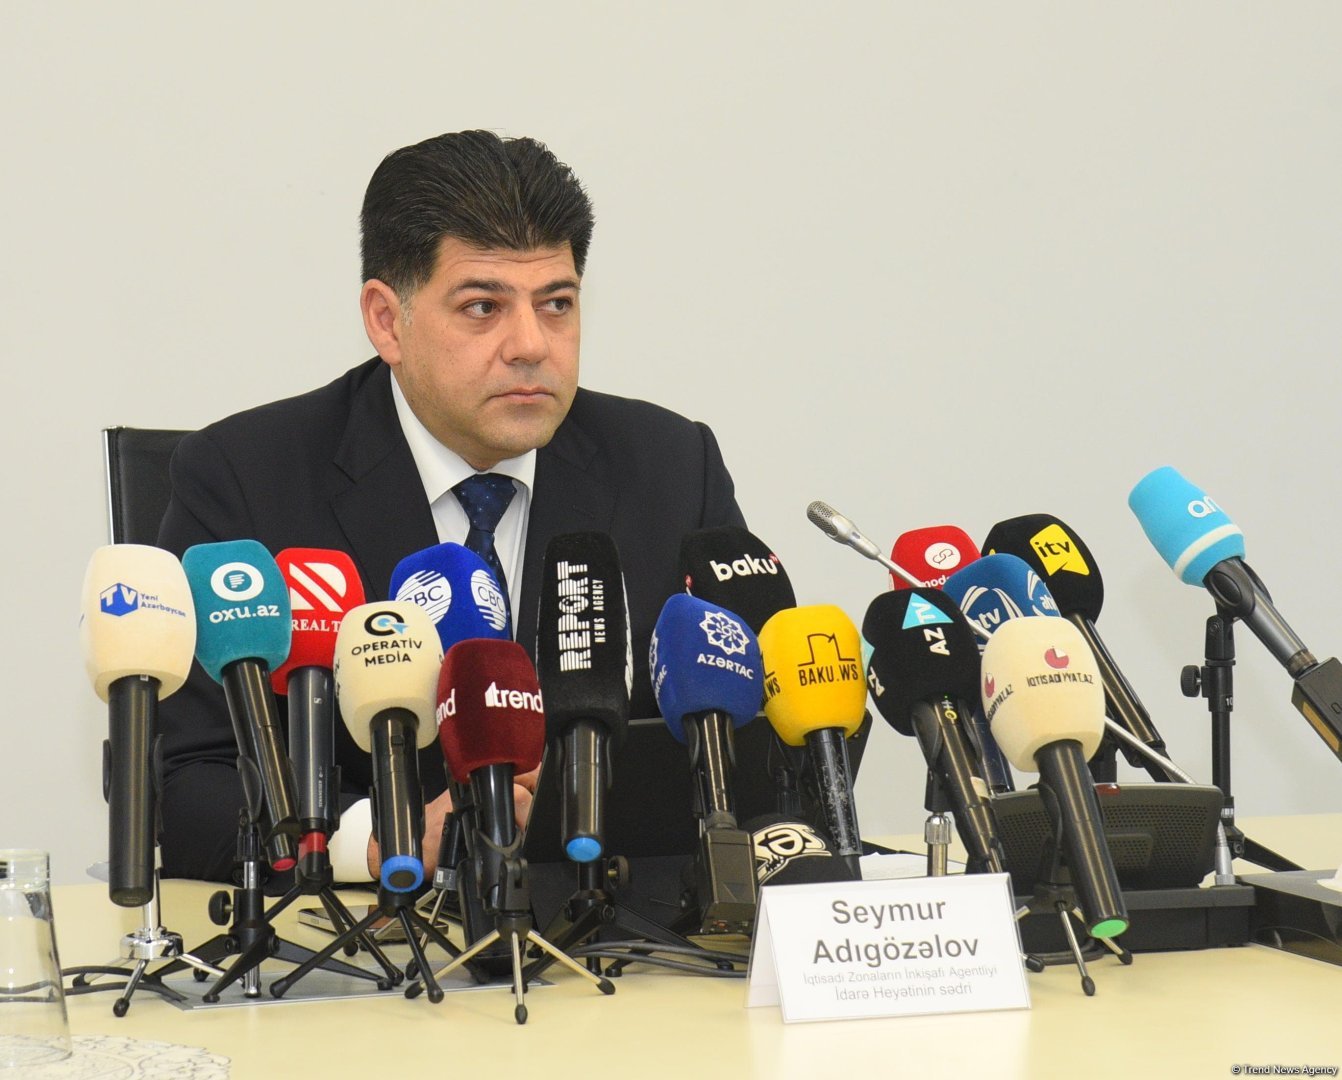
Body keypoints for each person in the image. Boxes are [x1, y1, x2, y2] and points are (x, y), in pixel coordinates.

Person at [156, 130, 746, 884]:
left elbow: (746, 738)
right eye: (482, 307)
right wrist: (384, 840)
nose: (531, 344)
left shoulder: (672, 466)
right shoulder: (245, 478)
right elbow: (186, 784)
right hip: (369, 936)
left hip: (606, 920)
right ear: (386, 320)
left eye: (556, 304)